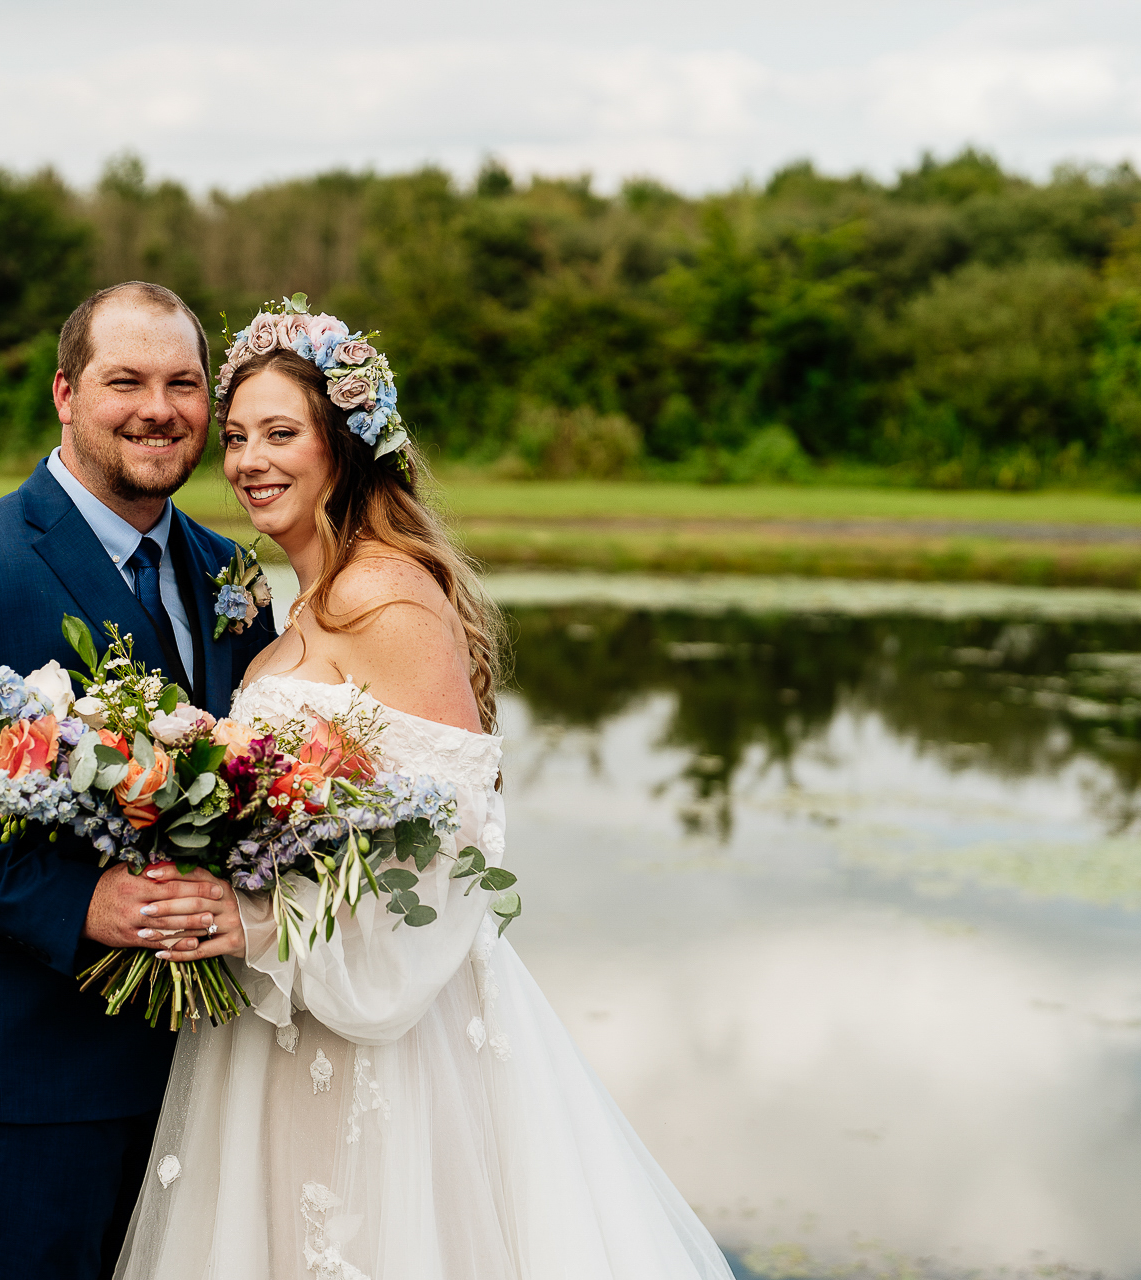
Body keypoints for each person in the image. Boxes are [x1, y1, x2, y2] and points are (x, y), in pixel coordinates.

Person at [113, 305, 737, 1279]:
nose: (247, 461)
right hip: (273, 1034)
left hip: (390, 1040)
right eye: (236, 436)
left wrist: (261, 922)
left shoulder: (388, 595)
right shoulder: (291, 612)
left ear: (345, 445)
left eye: (281, 433)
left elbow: (456, 841)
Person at [0, 282, 279, 1280]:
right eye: (124, 378)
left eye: (182, 382)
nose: (158, 407)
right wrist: (85, 899)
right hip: (25, 1079)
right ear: (64, 392)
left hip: (206, 1072)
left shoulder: (234, 579)